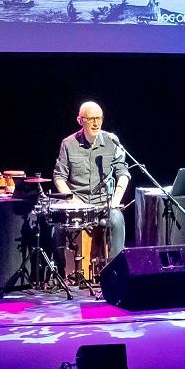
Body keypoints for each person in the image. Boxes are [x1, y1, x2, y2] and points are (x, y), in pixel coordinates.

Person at [53, 100, 130, 257]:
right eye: (91, 119)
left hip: (102, 203)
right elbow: (59, 176)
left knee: (116, 219)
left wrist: (116, 199)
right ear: (80, 120)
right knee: (57, 226)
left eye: (99, 118)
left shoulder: (112, 141)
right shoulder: (68, 143)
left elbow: (123, 172)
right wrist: (72, 199)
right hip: (76, 202)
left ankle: (115, 270)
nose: (96, 123)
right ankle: (61, 272)